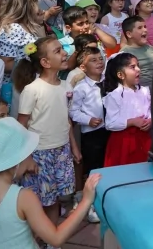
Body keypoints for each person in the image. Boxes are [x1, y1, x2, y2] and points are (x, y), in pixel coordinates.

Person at [0, 117, 101, 249]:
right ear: (16, 159)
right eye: (29, 152)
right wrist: (85, 201)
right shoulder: (23, 197)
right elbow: (56, 238)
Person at [13, 37, 80, 226]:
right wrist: (26, 158)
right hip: (40, 153)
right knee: (39, 201)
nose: (65, 53)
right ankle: (35, 237)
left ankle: (51, 237)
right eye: (58, 51)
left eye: (62, 49)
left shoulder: (66, 86)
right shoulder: (32, 90)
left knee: (55, 198)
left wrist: (73, 146)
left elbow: (66, 119)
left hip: (62, 150)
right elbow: (21, 126)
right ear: (45, 62)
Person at [68, 46, 106, 224]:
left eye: (100, 59)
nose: (99, 62)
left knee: (106, 165)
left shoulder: (109, 82)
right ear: (83, 67)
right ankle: (90, 204)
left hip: (110, 130)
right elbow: (73, 111)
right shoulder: (81, 87)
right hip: (92, 134)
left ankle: (105, 200)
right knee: (93, 167)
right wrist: (88, 119)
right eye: (93, 60)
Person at [101, 53, 152, 167]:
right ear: (120, 75)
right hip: (123, 141)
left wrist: (150, 120)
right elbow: (110, 123)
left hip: (143, 138)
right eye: (132, 67)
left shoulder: (144, 91)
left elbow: (149, 111)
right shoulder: (115, 96)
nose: (138, 69)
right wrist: (132, 122)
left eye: (138, 65)